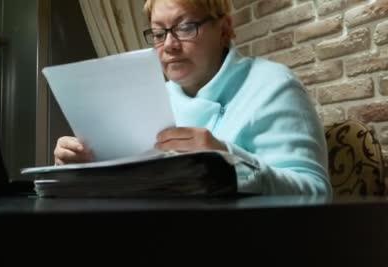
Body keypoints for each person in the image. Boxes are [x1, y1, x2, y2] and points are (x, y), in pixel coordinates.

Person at [53, 0, 331, 196]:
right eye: (159, 33)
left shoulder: (273, 84)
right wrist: (82, 167)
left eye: (185, 27)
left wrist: (227, 159)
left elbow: (315, 191)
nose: (170, 45)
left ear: (224, 30)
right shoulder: (152, 98)